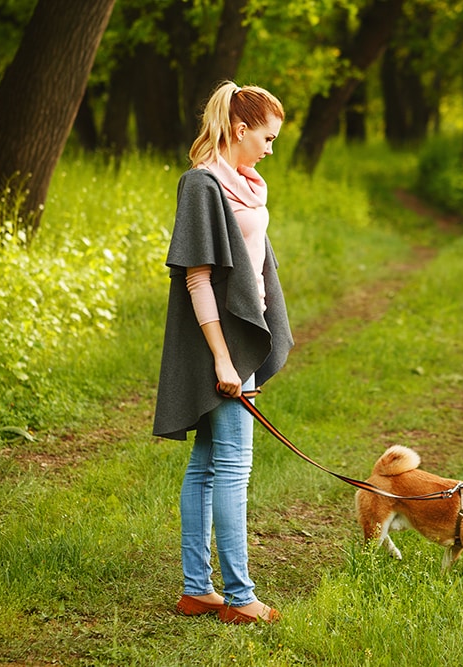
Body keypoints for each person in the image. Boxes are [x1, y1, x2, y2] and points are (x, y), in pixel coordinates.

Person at [152, 81, 293, 625]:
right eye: (266, 137)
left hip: (243, 341)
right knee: (234, 466)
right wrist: (222, 359)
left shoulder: (248, 185)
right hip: (224, 346)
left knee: (208, 465)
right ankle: (239, 596)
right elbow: (198, 279)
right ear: (240, 129)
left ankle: (196, 590)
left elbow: (256, 262)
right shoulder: (203, 185)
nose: (269, 149)